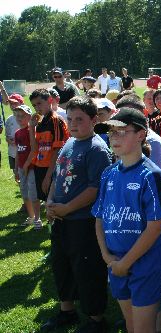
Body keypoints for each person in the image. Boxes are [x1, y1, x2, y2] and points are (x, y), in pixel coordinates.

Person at [92, 107, 161, 333]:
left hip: (144, 264)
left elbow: (155, 227)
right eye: (111, 132)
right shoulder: (108, 173)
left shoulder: (151, 175)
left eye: (121, 132)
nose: (113, 137)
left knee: (143, 328)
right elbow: (99, 218)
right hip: (115, 262)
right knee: (131, 325)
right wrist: (106, 256)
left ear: (140, 135)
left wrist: (125, 263)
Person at [42, 96, 112, 332]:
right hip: (61, 218)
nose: (72, 124)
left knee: (87, 269)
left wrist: (67, 208)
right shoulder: (69, 143)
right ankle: (67, 310)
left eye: (79, 119)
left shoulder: (97, 149)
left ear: (93, 120)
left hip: (83, 221)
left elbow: (94, 189)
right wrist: (51, 202)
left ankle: (95, 319)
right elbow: (58, 176)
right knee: (62, 265)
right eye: (70, 119)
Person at [29, 89, 69, 227]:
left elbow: (57, 150)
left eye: (39, 103)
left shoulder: (56, 120)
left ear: (50, 101)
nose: (37, 108)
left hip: (50, 169)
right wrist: (31, 128)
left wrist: (48, 176)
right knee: (45, 199)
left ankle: (56, 229)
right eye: (34, 105)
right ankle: (52, 227)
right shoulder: (40, 122)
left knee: (52, 200)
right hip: (39, 166)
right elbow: (35, 147)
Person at [13, 105, 40, 227]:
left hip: (31, 167)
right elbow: (18, 151)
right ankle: (31, 216)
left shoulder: (31, 130)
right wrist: (16, 168)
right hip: (21, 167)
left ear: (29, 117)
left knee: (33, 193)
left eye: (22, 116)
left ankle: (37, 219)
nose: (19, 118)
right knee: (24, 192)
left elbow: (34, 150)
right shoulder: (17, 133)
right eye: (17, 115)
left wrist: (26, 165)